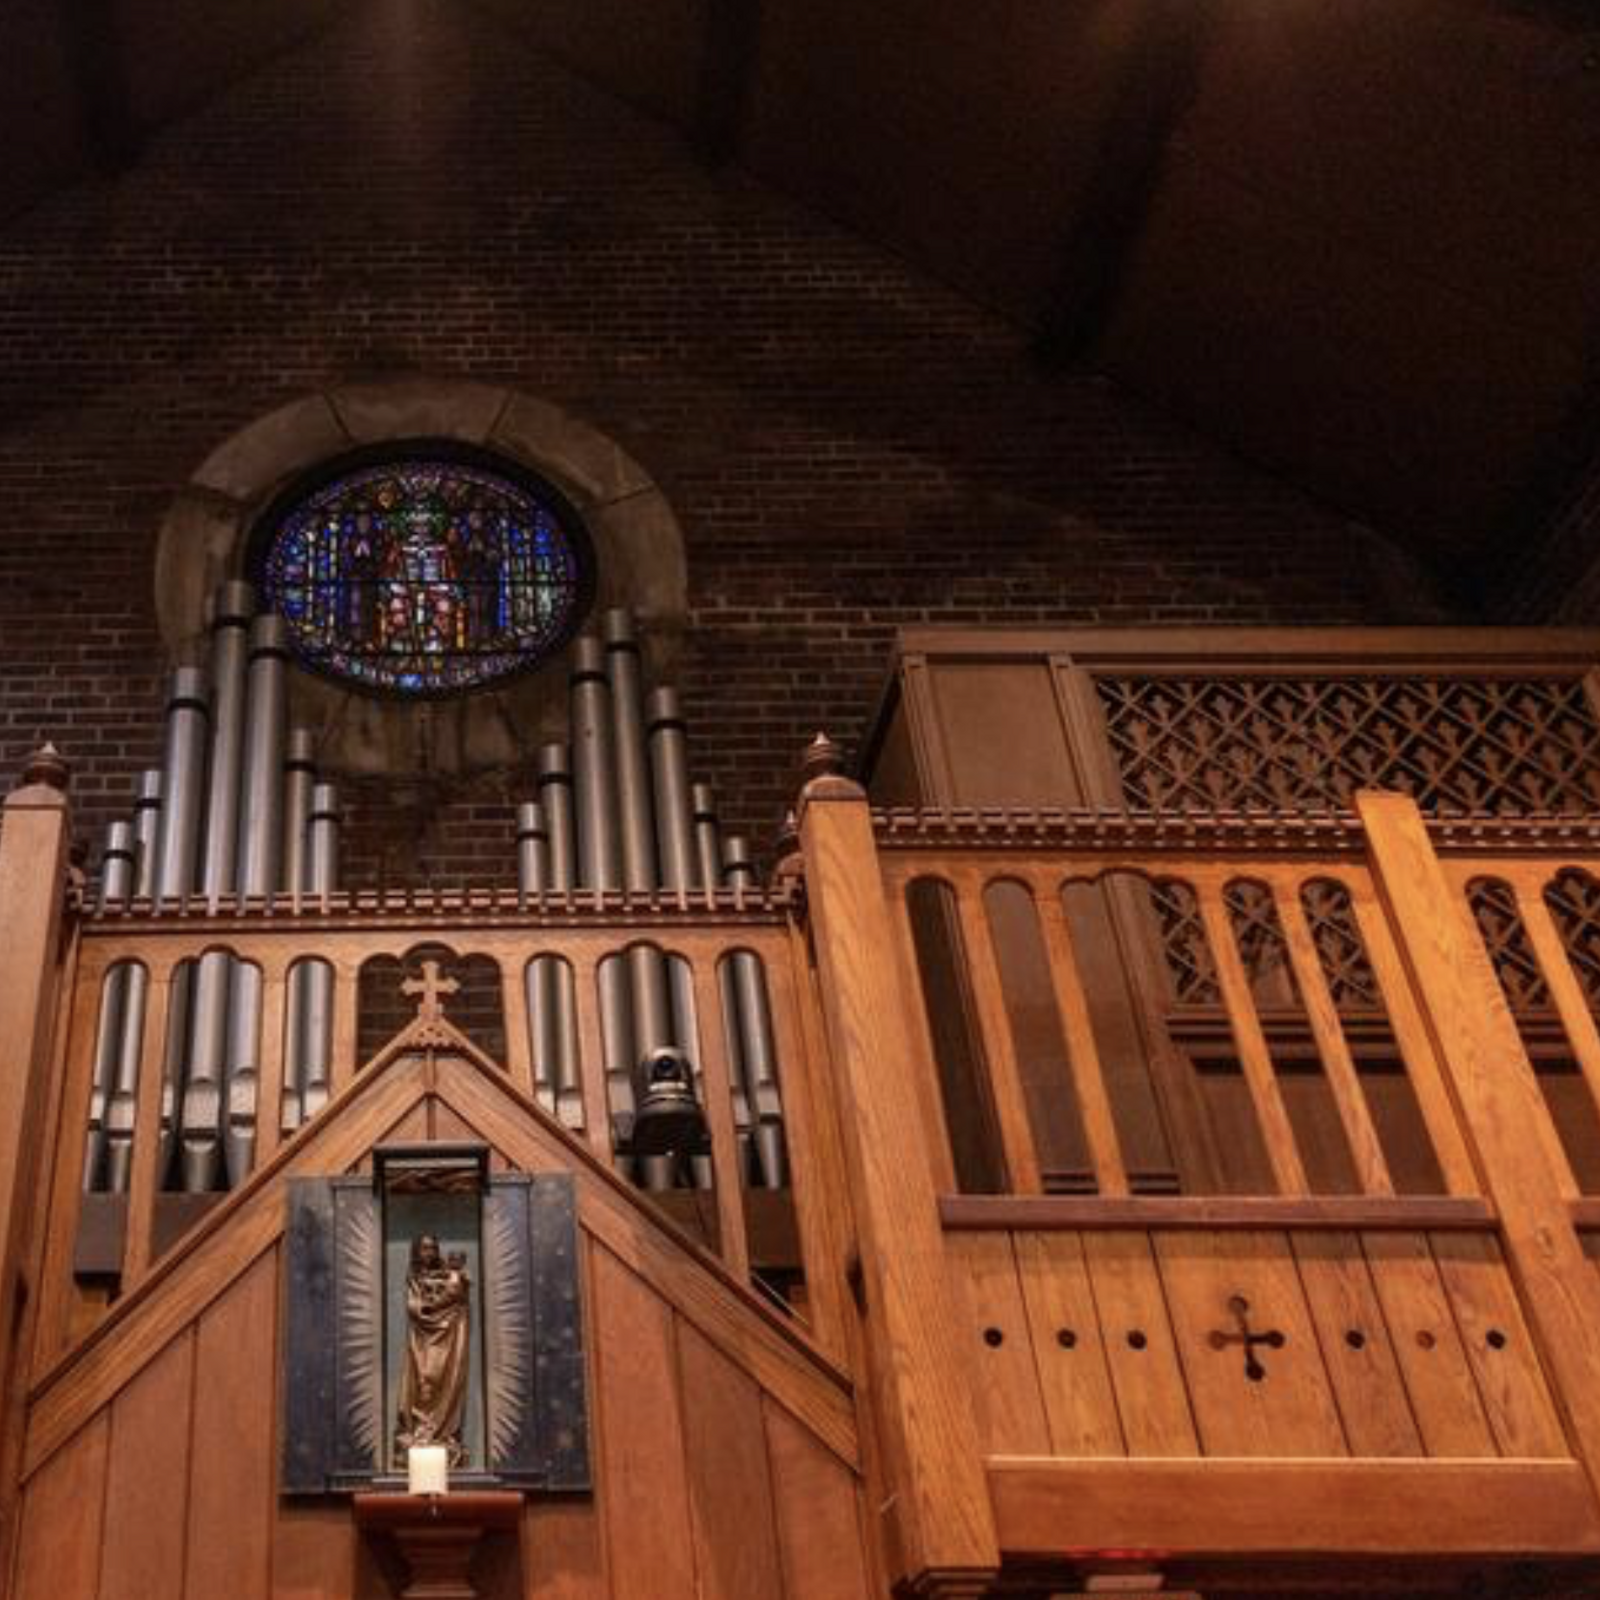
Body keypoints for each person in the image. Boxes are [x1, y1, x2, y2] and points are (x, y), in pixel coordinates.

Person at [394, 1234, 471, 1467]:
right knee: (424, 1379)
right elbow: (415, 1306)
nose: (429, 1252)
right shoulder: (414, 1278)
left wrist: (448, 1290)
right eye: (424, 1248)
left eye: (433, 1248)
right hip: (422, 1337)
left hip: (449, 1336)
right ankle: (421, 1430)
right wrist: (429, 1307)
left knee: (445, 1380)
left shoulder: (451, 1275)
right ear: (416, 1252)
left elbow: (457, 1293)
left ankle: (442, 1434)